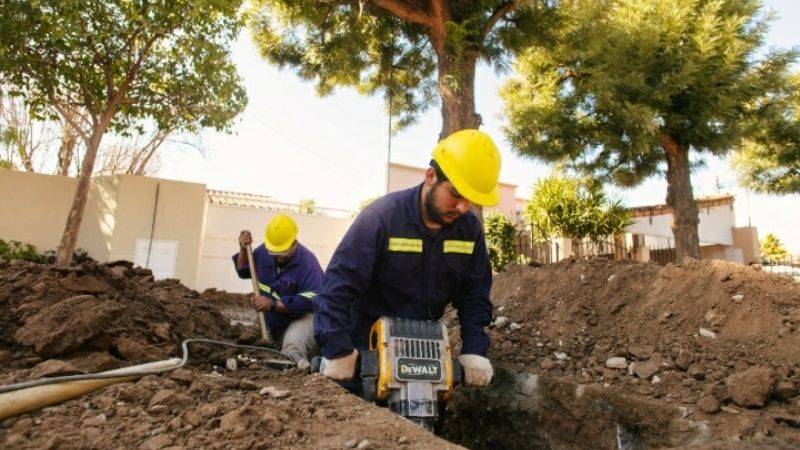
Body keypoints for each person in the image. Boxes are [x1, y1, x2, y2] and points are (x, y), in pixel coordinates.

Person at [313, 129, 500, 388]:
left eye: (471, 200)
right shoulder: (382, 217)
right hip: (367, 344)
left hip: (427, 349)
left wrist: (475, 351)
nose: (462, 208)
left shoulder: (469, 230)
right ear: (431, 177)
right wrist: (337, 349)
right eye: (456, 194)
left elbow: (474, 297)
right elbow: (337, 286)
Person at [234, 213, 322, 368]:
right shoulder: (263, 252)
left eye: (283, 252)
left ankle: (300, 375)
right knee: (265, 353)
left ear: (294, 242)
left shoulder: (308, 263)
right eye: (275, 252)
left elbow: (313, 300)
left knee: (291, 349)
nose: (279, 257)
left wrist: (273, 304)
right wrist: (243, 251)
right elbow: (243, 270)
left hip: (302, 317)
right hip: (274, 322)